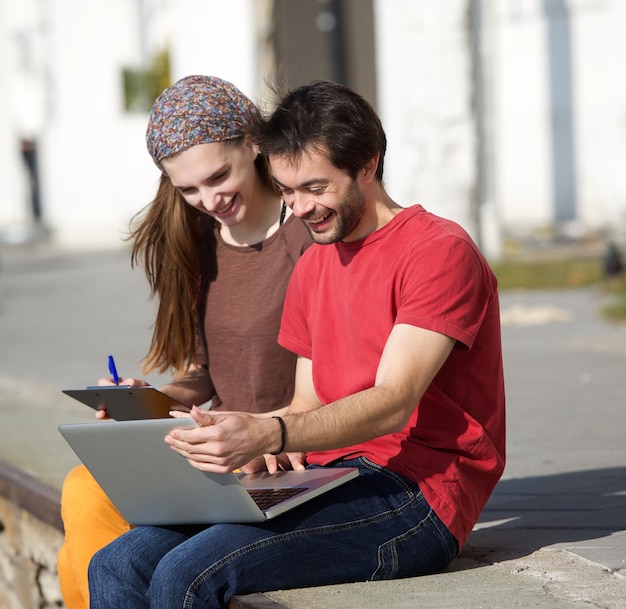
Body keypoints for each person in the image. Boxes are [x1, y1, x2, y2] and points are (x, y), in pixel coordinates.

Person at [88, 80, 506, 609]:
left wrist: (268, 432)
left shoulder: (438, 251)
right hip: (323, 476)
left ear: (367, 164)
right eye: (287, 190)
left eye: (314, 187)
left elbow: (395, 402)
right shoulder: (315, 265)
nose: (300, 207)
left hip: (418, 495)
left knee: (188, 576)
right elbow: (307, 403)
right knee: (116, 562)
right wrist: (226, 433)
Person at [56, 75, 312, 609]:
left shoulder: (307, 233)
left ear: (252, 143)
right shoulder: (198, 244)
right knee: (83, 487)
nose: (208, 199)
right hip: (219, 452)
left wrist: (274, 434)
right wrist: (142, 399)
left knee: (122, 544)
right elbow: (207, 375)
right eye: (189, 189)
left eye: (218, 176)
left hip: (278, 455)